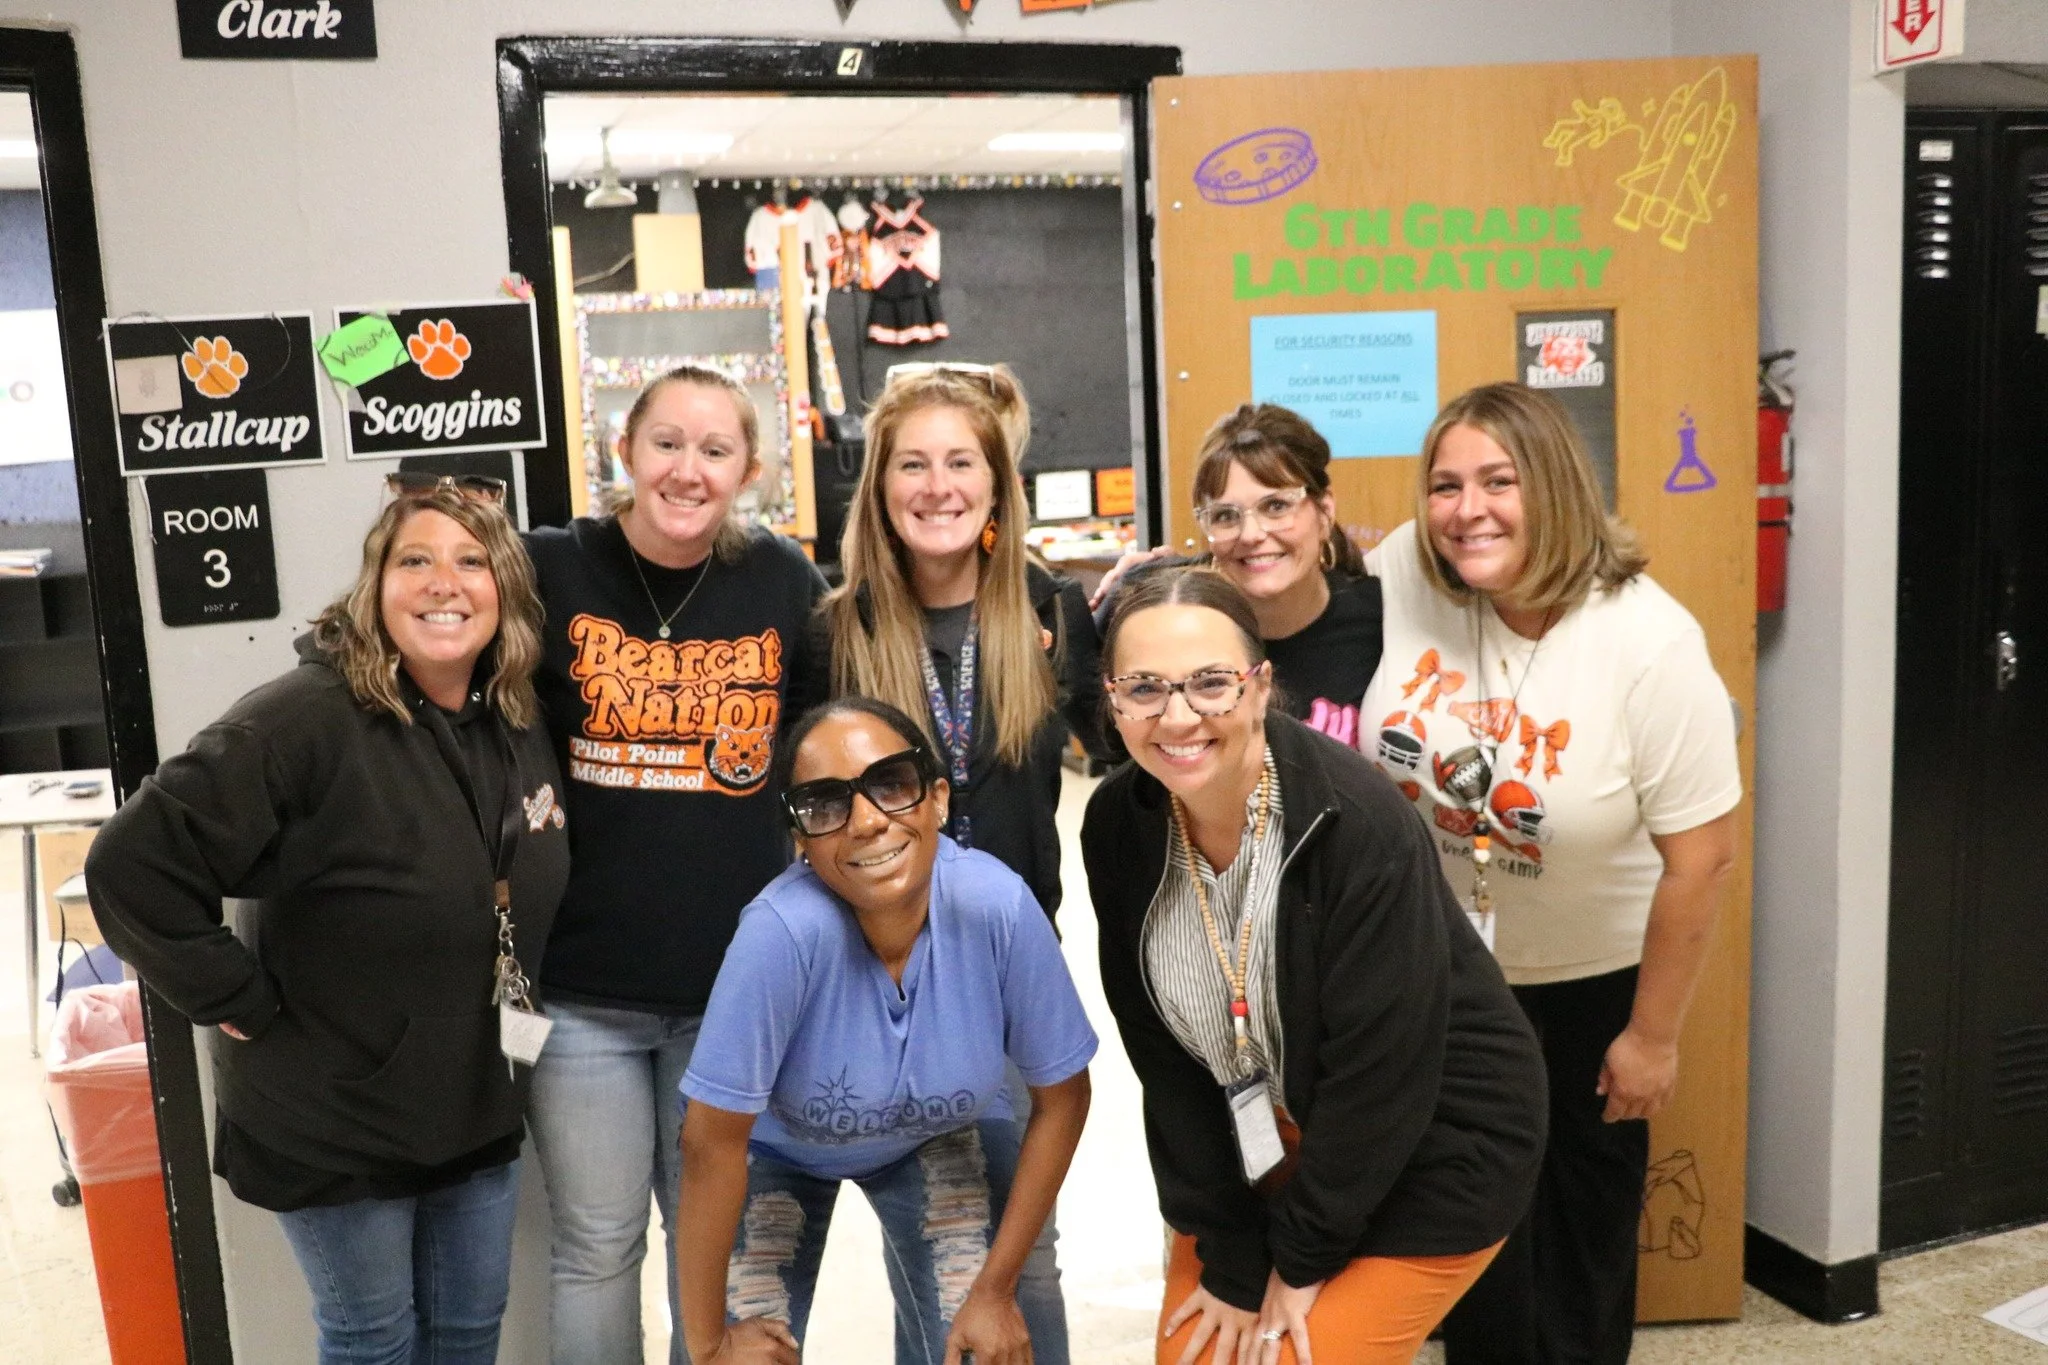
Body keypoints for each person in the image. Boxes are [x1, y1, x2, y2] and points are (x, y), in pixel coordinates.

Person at [85, 475, 570, 1365]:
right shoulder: (304, 719)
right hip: (335, 1112)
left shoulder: (513, 713)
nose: (443, 582)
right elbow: (130, 865)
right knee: (373, 1341)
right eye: (414, 560)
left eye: (471, 561)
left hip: (474, 1098)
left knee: (469, 1332)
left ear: (505, 589)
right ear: (374, 586)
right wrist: (233, 996)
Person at [1359, 382, 1742, 1364]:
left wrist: (1651, 1038)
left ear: (1557, 487)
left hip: (1589, 989)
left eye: (1498, 481)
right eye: (1444, 485)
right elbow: (1296, 594)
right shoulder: (1407, 569)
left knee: (1575, 1240)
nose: (1465, 510)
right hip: (1443, 973)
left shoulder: (1649, 644)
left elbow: (1702, 859)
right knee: (1468, 1230)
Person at [1083, 566, 1548, 1365]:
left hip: (1430, 1143)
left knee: (1295, 1358)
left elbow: (1382, 1075)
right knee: (1195, 1357)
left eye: (1211, 683)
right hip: (1265, 1142)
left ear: (1261, 687)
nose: (1178, 715)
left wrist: (1300, 1259)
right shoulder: (1118, 825)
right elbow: (1164, 1057)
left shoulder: (1355, 821)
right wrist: (1234, 1253)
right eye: (1145, 688)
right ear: (1113, 700)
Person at [523, 363, 830, 1364]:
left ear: (749, 471)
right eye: (665, 443)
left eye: (715, 449)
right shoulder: (550, 567)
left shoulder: (782, 580)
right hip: (581, 990)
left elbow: (821, 751)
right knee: (596, 1247)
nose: (687, 469)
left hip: (733, 992)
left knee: (715, 1253)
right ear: (624, 451)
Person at [818, 362, 1108, 1360]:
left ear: (996, 485)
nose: (936, 486)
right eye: (912, 464)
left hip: (1014, 977)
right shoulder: (838, 631)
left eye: (958, 463)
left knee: (1025, 1258)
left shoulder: (1049, 611)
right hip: (883, 983)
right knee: (925, 1248)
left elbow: (1125, 748)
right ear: (878, 486)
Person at [675, 697, 1095, 1365]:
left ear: (937, 798)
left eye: (891, 785)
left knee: (984, 1349)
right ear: (800, 837)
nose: (868, 821)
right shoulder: (780, 933)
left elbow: (1064, 1098)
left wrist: (994, 1290)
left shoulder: (998, 906)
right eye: (825, 804)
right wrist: (706, 1345)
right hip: (775, 1149)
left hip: (939, 1135)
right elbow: (711, 1143)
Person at [1089, 403, 1383, 745]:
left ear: (1324, 510)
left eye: (1276, 506)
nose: (1251, 534)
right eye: (1226, 516)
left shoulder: (1384, 620)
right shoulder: (1169, 622)